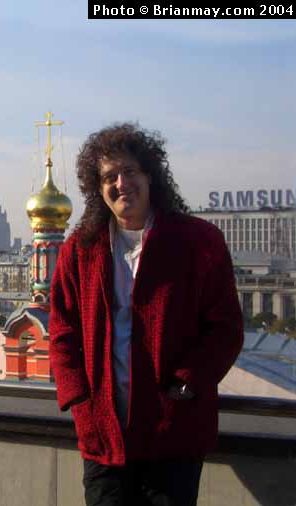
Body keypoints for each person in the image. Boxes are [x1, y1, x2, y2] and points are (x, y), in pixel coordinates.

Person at [49, 123, 243, 506]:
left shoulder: (198, 243)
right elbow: (61, 330)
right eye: (109, 176)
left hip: (172, 435)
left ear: (150, 175)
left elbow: (225, 328)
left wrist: (187, 383)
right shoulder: (81, 249)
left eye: (130, 171)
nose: (121, 183)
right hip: (103, 436)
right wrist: (81, 401)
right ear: (96, 186)